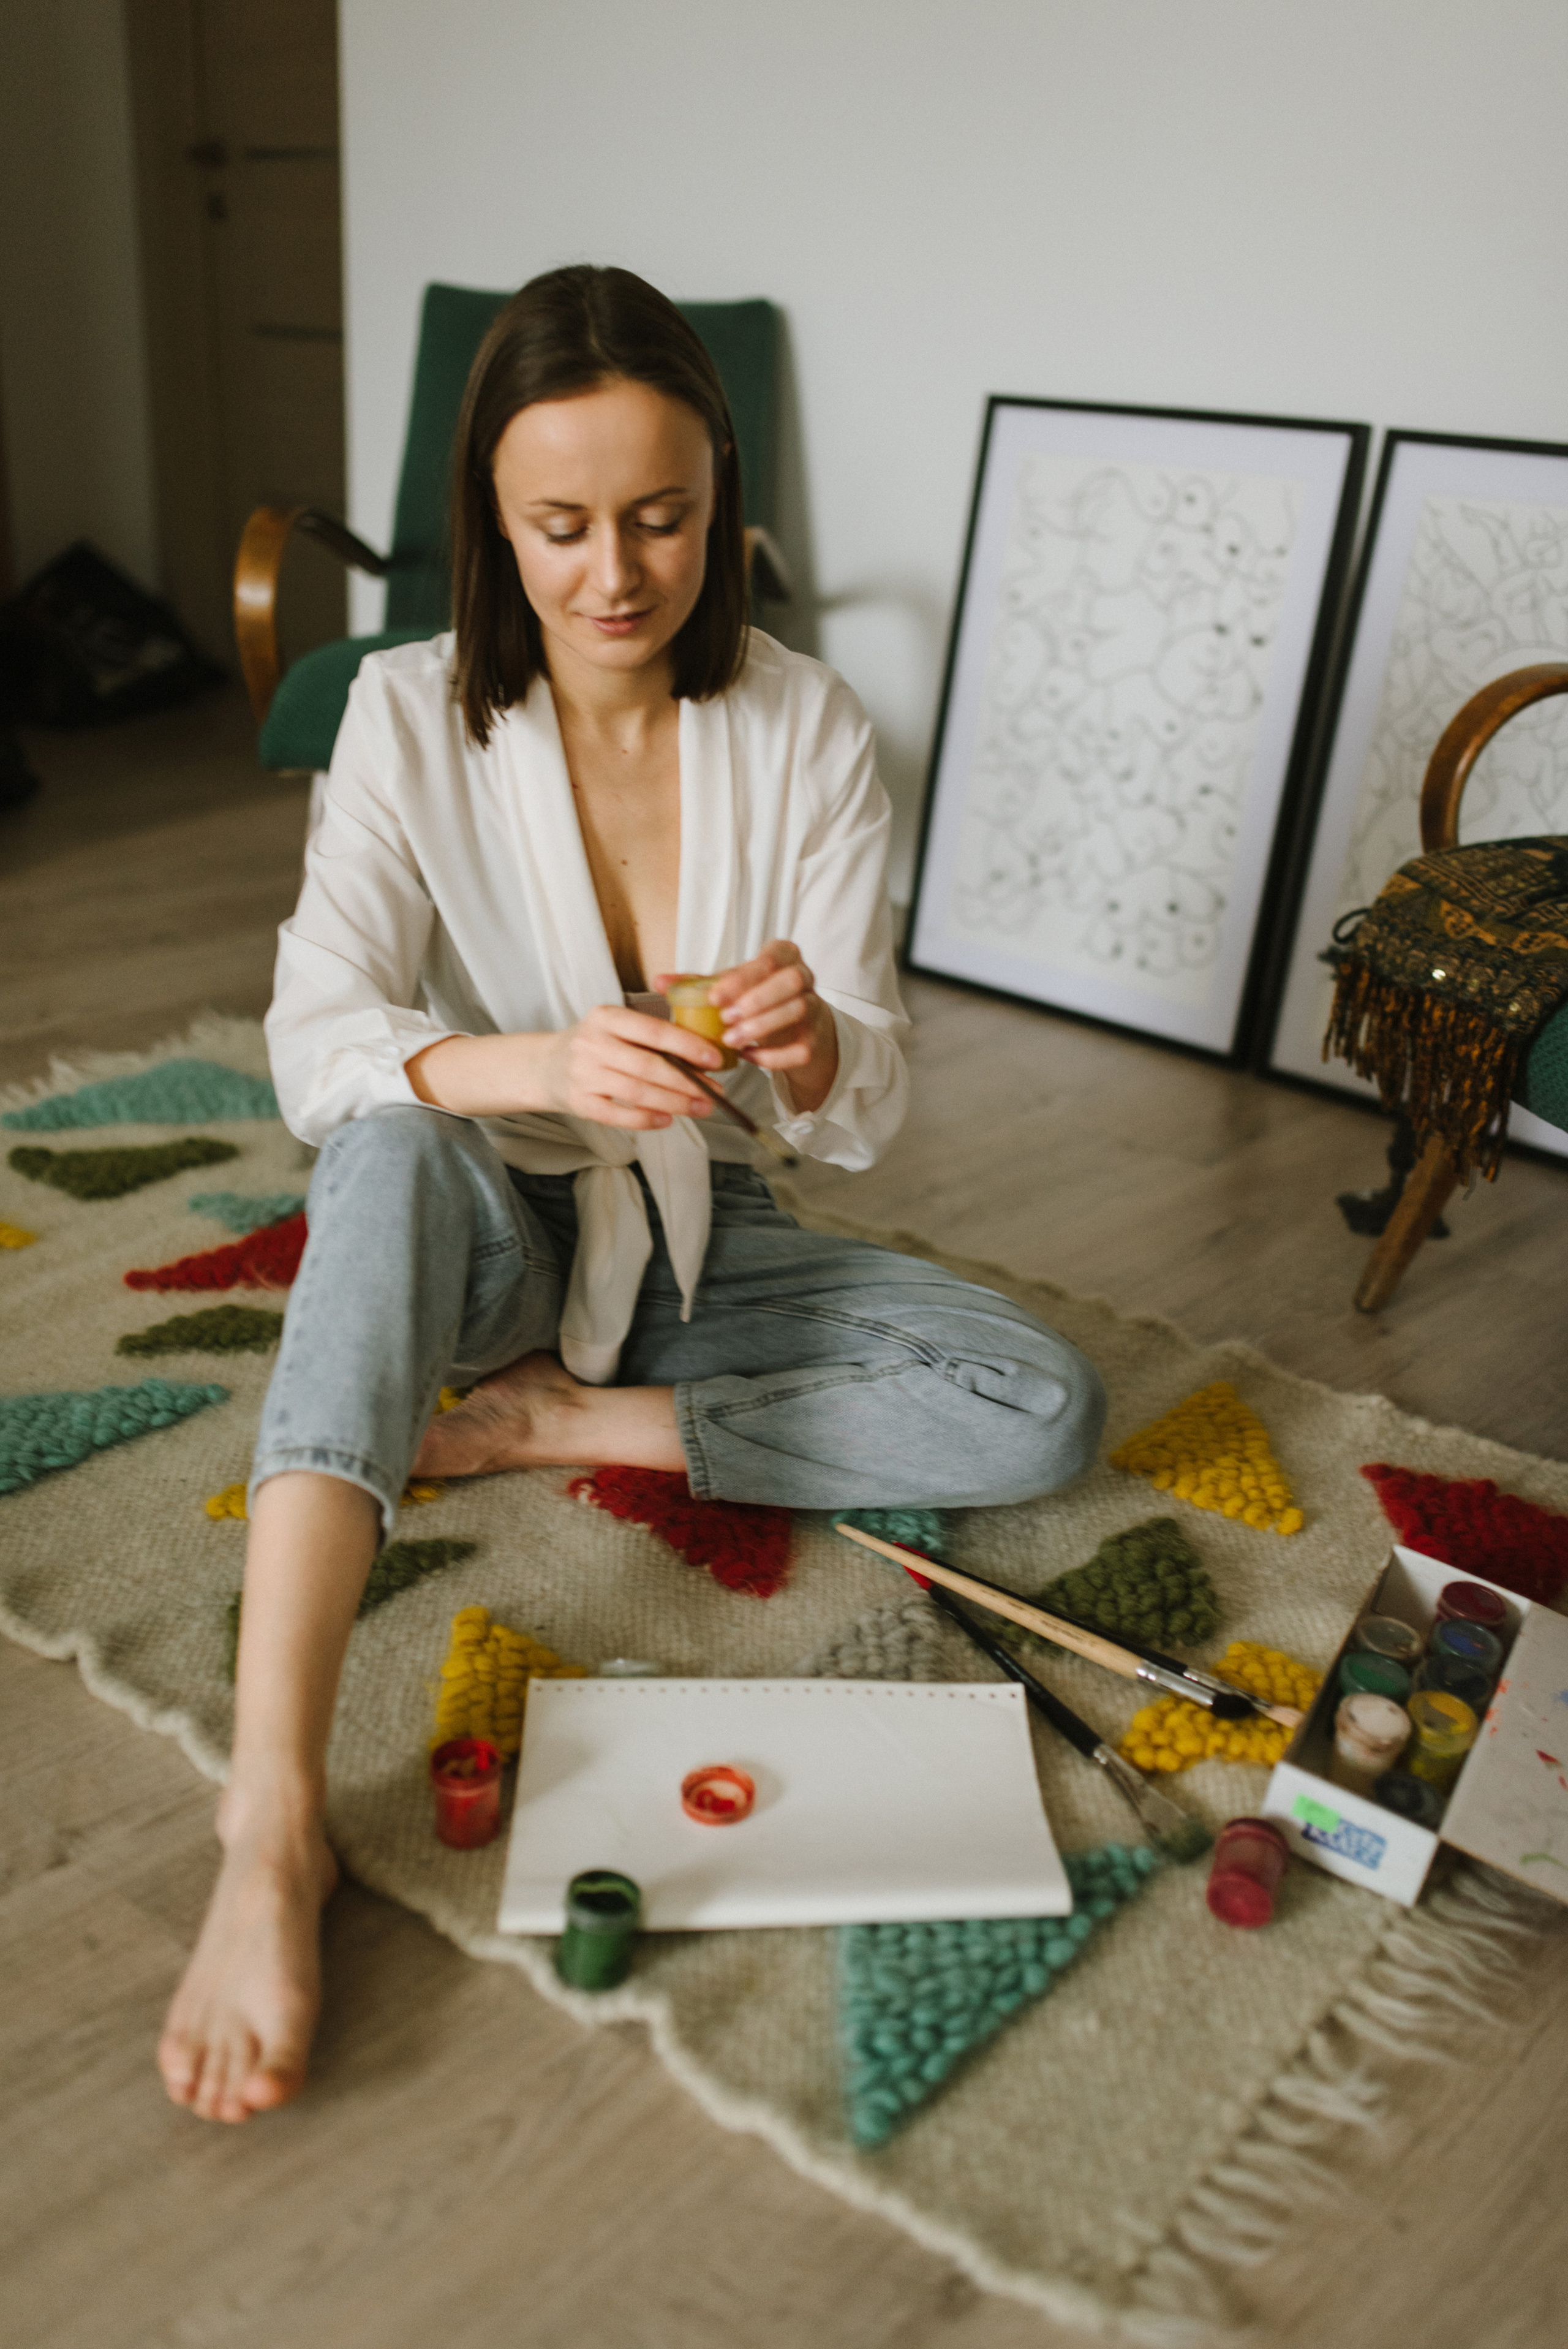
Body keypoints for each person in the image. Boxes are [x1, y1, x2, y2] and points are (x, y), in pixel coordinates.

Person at [157, 265, 1106, 2124]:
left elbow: (862, 1108)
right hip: (486, 1205)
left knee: (1045, 1403)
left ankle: (559, 1425)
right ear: (492, 526)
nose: (615, 573)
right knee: (387, 1153)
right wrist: (531, 1064)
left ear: (722, 502)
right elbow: (316, 1036)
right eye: (561, 526)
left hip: (697, 1225)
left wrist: (817, 1047)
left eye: (662, 518)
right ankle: (270, 1814)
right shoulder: (402, 714)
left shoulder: (812, 727)